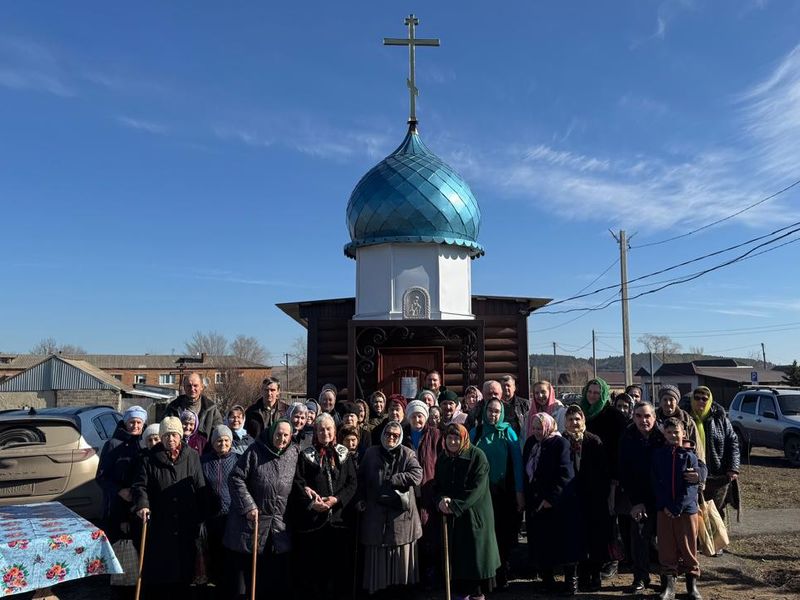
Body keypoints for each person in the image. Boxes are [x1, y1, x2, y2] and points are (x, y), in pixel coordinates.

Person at [223, 419, 299, 600]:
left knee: (271, 579)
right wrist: (249, 505)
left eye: (286, 435)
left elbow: (299, 480)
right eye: (278, 434)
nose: (281, 439)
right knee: (247, 582)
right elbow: (235, 478)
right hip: (251, 524)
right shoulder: (255, 451)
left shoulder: (294, 453)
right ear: (272, 433)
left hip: (278, 526)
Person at [132, 416, 206, 599]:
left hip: (185, 521)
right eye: (166, 435)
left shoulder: (192, 456)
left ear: (180, 435)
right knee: (162, 570)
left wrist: (202, 514)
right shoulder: (148, 458)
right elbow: (140, 486)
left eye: (174, 435)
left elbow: (199, 485)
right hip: (160, 521)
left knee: (185, 568)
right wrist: (142, 504)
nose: (170, 439)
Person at [292, 413, 358, 600]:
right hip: (315, 522)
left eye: (328, 429)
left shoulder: (343, 454)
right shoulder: (306, 455)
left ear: (334, 431)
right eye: (321, 429)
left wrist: (336, 500)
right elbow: (298, 483)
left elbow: (352, 483)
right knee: (316, 569)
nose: (325, 433)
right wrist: (313, 503)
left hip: (339, 520)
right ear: (316, 431)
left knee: (339, 569)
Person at [435, 424, 501, 600]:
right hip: (452, 519)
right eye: (449, 438)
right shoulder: (443, 458)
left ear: (464, 438)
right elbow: (438, 485)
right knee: (457, 569)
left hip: (473, 517)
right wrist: (440, 500)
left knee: (475, 567)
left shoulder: (477, 456)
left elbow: (477, 489)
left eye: (456, 437)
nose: (453, 441)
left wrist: (455, 505)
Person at [358, 421, 424, 594]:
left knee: (399, 556)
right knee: (377, 555)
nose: (391, 437)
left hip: (400, 516)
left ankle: (400, 591)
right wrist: (361, 499)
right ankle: (379, 591)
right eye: (388, 434)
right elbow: (361, 478)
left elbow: (417, 475)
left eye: (395, 435)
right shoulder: (371, 453)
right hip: (375, 514)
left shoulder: (408, 453)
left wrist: (397, 478)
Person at [523, 413, 580, 595]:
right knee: (542, 543)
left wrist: (550, 499)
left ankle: (571, 582)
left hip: (557, 504)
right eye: (535, 428)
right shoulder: (531, 443)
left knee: (564, 543)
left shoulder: (560, 443)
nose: (537, 432)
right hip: (536, 501)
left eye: (540, 428)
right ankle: (547, 581)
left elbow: (566, 474)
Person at [470, 398, 524, 590]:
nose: (493, 414)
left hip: (504, 492)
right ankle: (486, 574)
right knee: (484, 534)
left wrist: (519, 492)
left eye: (496, 411)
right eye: (490, 411)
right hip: (481, 494)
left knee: (503, 533)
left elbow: (517, 465)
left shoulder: (508, 432)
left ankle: (502, 572)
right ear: (485, 411)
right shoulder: (476, 433)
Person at [651, 418, 707, 600]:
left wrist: (678, 506)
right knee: (666, 547)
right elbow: (656, 482)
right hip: (664, 510)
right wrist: (666, 505)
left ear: (683, 433)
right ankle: (668, 586)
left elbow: (691, 486)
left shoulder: (690, 456)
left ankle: (692, 585)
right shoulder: (658, 455)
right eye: (669, 432)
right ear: (664, 434)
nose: (673, 436)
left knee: (688, 545)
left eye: (677, 432)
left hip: (686, 510)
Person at [619, 401, 667, 593]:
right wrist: (636, 502)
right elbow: (624, 471)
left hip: (662, 498)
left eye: (647, 416)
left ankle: (667, 579)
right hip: (639, 498)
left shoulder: (663, 436)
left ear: (654, 418)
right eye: (639, 416)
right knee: (638, 537)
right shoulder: (627, 436)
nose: (643, 420)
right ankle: (640, 577)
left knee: (664, 541)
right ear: (633, 417)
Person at [562, 405, 611, 592]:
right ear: (565, 422)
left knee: (595, 538)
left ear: (583, 420)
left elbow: (603, 471)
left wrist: (601, 494)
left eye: (577, 419)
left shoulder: (594, 441)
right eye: (571, 419)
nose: (574, 423)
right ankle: (579, 576)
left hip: (593, 498)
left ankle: (595, 575)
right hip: (572, 499)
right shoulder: (562, 441)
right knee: (576, 539)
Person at [681, 386, 740, 525]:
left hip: (716, 475)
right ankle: (696, 544)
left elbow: (733, 442)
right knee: (694, 513)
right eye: (697, 398)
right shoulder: (684, 418)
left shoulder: (720, 418)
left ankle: (715, 545)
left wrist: (733, 467)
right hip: (691, 474)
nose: (701, 401)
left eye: (704, 398)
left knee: (715, 512)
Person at [402, 400, 443, 586]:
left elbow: (440, 461)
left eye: (420, 416)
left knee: (429, 530)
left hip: (429, 489)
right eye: (413, 416)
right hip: (408, 492)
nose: (417, 419)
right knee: (411, 531)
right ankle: (413, 573)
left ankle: (431, 572)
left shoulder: (435, 434)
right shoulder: (404, 435)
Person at [96, 405, 147, 544]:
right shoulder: (112, 444)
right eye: (132, 422)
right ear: (125, 423)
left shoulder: (145, 444)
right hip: (115, 507)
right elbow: (101, 476)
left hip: (138, 507)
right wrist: (119, 490)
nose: (135, 426)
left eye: (138, 422)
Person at [200, 425, 238, 597]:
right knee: (212, 552)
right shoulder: (204, 461)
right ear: (212, 442)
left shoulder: (238, 460)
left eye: (226, 440)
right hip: (211, 516)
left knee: (228, 555)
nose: (222, 444)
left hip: (231, 516)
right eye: (218, 441)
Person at [163, 373, 223, 440]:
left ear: (201, 387)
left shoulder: (211, 409)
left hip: (204, 449)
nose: (192, 389)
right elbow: (165, 431)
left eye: (195, 385)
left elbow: (219, 432)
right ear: (184, 387)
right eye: (189, 386)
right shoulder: (173, 407)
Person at [655, 385, 699, 455]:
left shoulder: (687, 421)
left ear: (677, 402)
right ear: (660, 401)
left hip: (682, 460)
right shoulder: (653, 420)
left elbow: (697, 446)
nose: (668, 403)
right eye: (665, 399)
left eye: (671, 399)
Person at [500, 375, 530, 440]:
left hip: (519, 439)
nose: (505, 388)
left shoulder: (525, 404)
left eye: (508, 385)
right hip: (501, 440)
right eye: (503, 385)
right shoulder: (496, 404)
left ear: (514, 388)